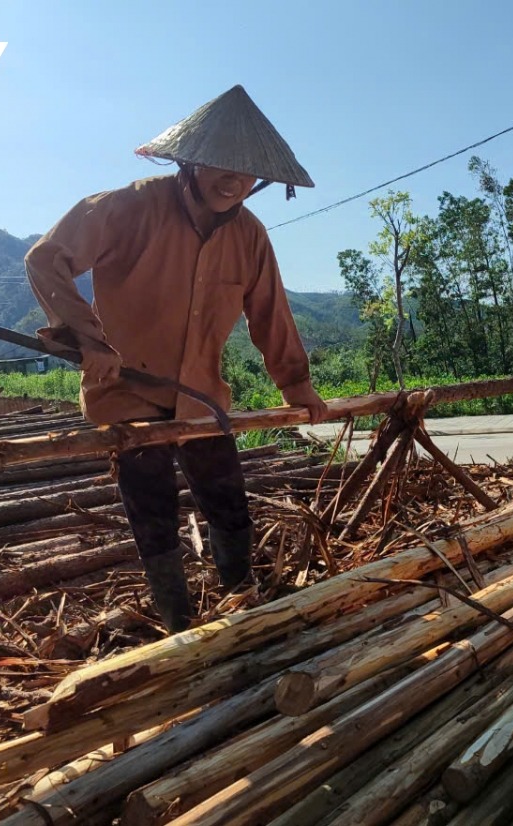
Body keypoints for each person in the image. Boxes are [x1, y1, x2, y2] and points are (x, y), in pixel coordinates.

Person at [24, 85, 328, 632]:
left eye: (246, 172)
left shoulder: (251, 236)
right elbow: (46, 259)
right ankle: (179, 625)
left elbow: (270, 313)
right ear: (189, 159)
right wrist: (89, 340)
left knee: (229, 502)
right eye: (220, 165)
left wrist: (297, 386)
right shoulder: (129, 207)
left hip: (200, 399)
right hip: (129, 396)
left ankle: (241, 606)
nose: (233, 180)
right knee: (154, 516)